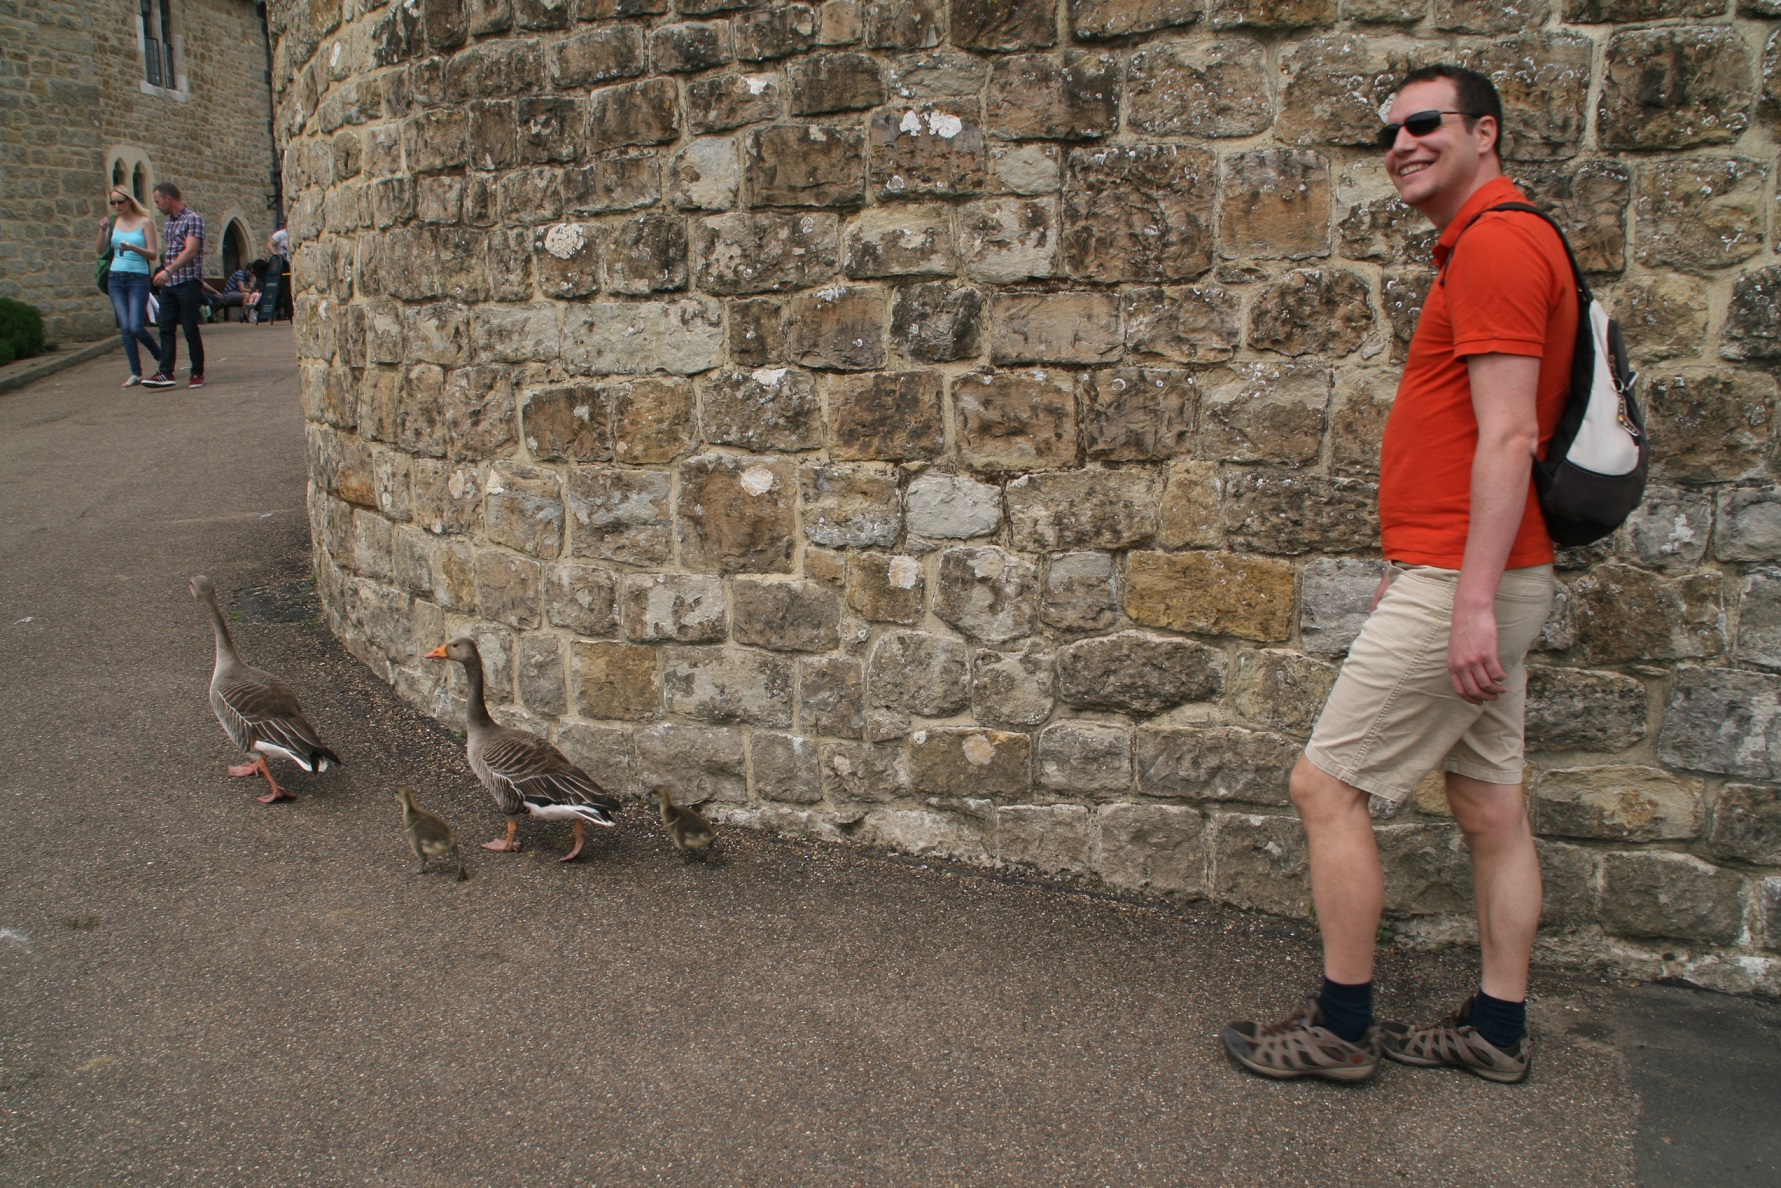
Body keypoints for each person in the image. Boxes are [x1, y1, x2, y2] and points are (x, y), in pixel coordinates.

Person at [1222, 65, 1575, 1085]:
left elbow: (1507, 437)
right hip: (1470, 574)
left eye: (1425, 123)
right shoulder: (1484, 239)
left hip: (1470, 583)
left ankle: (1338, 1028)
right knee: (1488, 808)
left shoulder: (1500, 243)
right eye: (1391, 131)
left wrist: (1462, 601)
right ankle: (1494, 1032)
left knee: (1323, 786)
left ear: (1484, 133)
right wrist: (1432, 574)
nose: (1402, 143)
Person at [142, 181, 207, 390]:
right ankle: (165, 372)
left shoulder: (193, 219)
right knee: (165, 327)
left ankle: (197, 372)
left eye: (158, 201)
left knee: (189, 328)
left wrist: (168, 270)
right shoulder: (169, 223)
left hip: (187, 281)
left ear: (168, 199)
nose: (157, 206)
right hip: (170, 283)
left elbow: (190, 251)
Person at [95, 188, 161, 388]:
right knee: (125, 327)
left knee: (135, 326)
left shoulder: (144, 222)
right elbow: (100, 250)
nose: (116, 206)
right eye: (112, 202)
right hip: (116, 277)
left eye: (120, 202)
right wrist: (103, 230)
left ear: (130, 201)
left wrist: (133, 248)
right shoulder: (114, 223)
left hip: (137, 277)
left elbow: (153, 254)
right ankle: (136, 372)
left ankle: (162, 358)